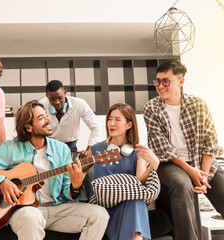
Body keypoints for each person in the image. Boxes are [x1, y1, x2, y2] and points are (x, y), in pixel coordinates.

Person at [0, 100, 109, 240]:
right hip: (26, 211)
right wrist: (2, 182)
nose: (48, 119)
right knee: (30, 217)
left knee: (99, 215)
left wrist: (76, 186)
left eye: (46, 115)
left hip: (56, 208)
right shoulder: (11, 148)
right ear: (28, 127)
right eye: (41, 117)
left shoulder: (62, 150)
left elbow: (67, 191)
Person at [143, 60, 224, 240]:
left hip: (202, 162)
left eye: (166, 81)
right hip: (170, 163)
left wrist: (202, 174)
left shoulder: (198, 104)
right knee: (181, 185)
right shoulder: (151, 108)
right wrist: (190, 171)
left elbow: (210, 141)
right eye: (157, 81)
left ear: (181, 82)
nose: (160, 86)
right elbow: (161, 147)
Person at [89, 103, 159, 240]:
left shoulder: (137, 152)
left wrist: (155, 164)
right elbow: (79, 174)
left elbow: (140, 181)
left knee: (136, 201)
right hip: (102, 204)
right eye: (110, 119)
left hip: (126, 204)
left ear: (129, 125)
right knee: (136, 202)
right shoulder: (95, 149)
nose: (111, 123)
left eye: (117, 119)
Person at [39, 80, 102, 158]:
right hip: (48, 145)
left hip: (70, 147)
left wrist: (90, 148)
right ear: (47, 96)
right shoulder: (40, 105)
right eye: (52, 99)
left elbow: (96, 127)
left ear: (65, 93)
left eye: (60, 98)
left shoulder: (79, 104)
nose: (57, 102)